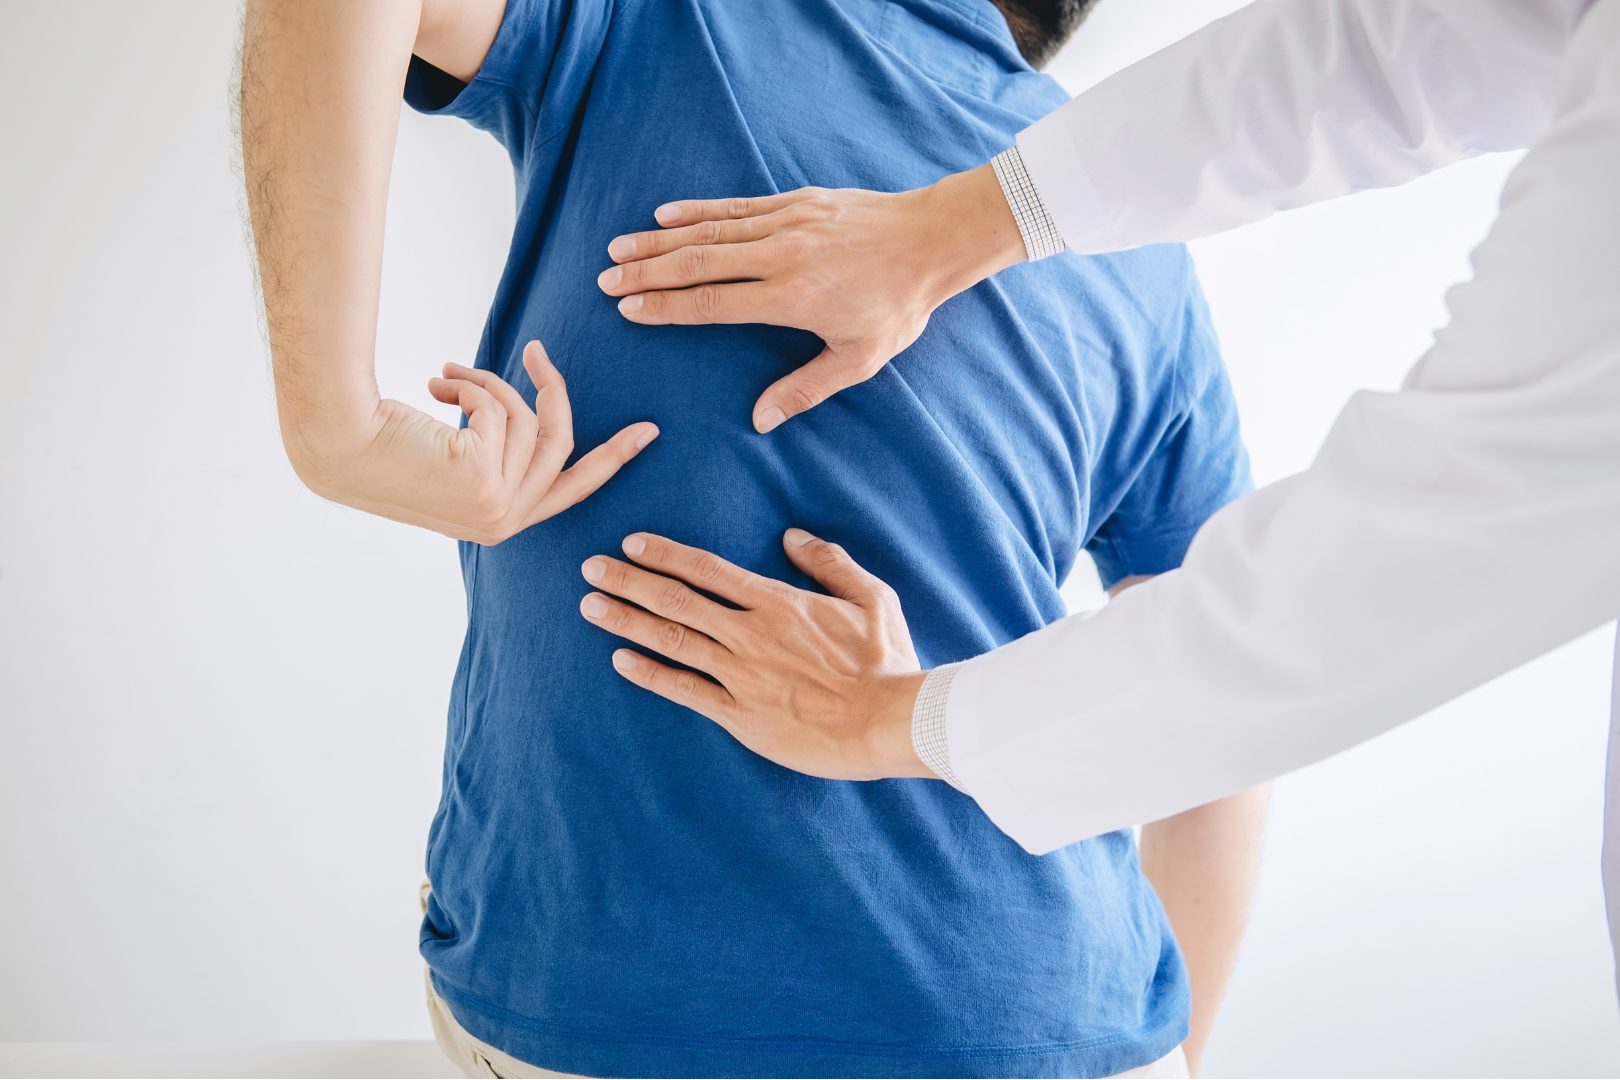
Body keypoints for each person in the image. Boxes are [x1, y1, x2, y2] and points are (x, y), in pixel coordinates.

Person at [239, 0, 1276, 1076]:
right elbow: (1228, 699)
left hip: (621, 1003)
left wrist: (339, 431)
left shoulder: (677, 24)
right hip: (1061, 1008)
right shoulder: (1126, 220)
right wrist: (1178, 1058)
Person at [580, 0, 1620, 970]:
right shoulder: (1141, 267)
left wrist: (894, 720)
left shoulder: (680, 34)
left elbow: (1410, 558)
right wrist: (958, 226)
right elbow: (1391, 48)